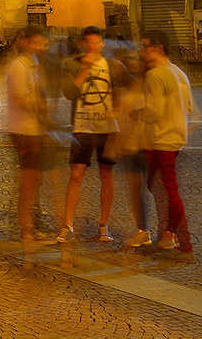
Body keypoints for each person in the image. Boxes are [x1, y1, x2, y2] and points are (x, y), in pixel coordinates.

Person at [58, 26, 127, 243]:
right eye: (88, 42)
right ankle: (68, 225)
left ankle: (103, 225)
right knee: (76, 176)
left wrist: (118, 110)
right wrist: (85, 69)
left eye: (96, 42)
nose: (92, 46)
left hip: (107, 128)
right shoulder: (71, 64)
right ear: (83, 44)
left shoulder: (114, 67)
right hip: (82, 127)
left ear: (103, 43)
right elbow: (69, 93)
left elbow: (127, 92)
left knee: (106, 175)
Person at [140, 30, 197, 262]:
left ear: (158, 48)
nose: (141, 52)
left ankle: (179, 240)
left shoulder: (155, 75)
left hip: (160, 140)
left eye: (145, 47)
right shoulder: (179, 73)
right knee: (159, 186)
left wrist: (133, 114)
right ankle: (169, 234)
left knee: (165, 189)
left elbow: (153, 111)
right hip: (173, 139)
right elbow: (191, 109)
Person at [7, 24, 51, 246]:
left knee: (36, 180)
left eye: (43, 43)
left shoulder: (34, 65)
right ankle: (26, 228)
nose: (42, 47)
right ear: (26, 43)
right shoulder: (19, 67)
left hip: (34, 129)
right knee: (28, 181)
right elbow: (19, 99)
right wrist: (40, 108)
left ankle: (33, 223)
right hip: (23, 130)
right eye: (37, 42)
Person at [110, 46, 153, 249]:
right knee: (136, 190)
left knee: (156, 189)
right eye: (129, 61)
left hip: (148, 144)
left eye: (136, 59)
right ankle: (142, 230)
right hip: (130, 147)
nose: (132, 63)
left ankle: (169, 232)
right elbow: (119, 117)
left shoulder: (149, 84)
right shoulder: (123, 89)